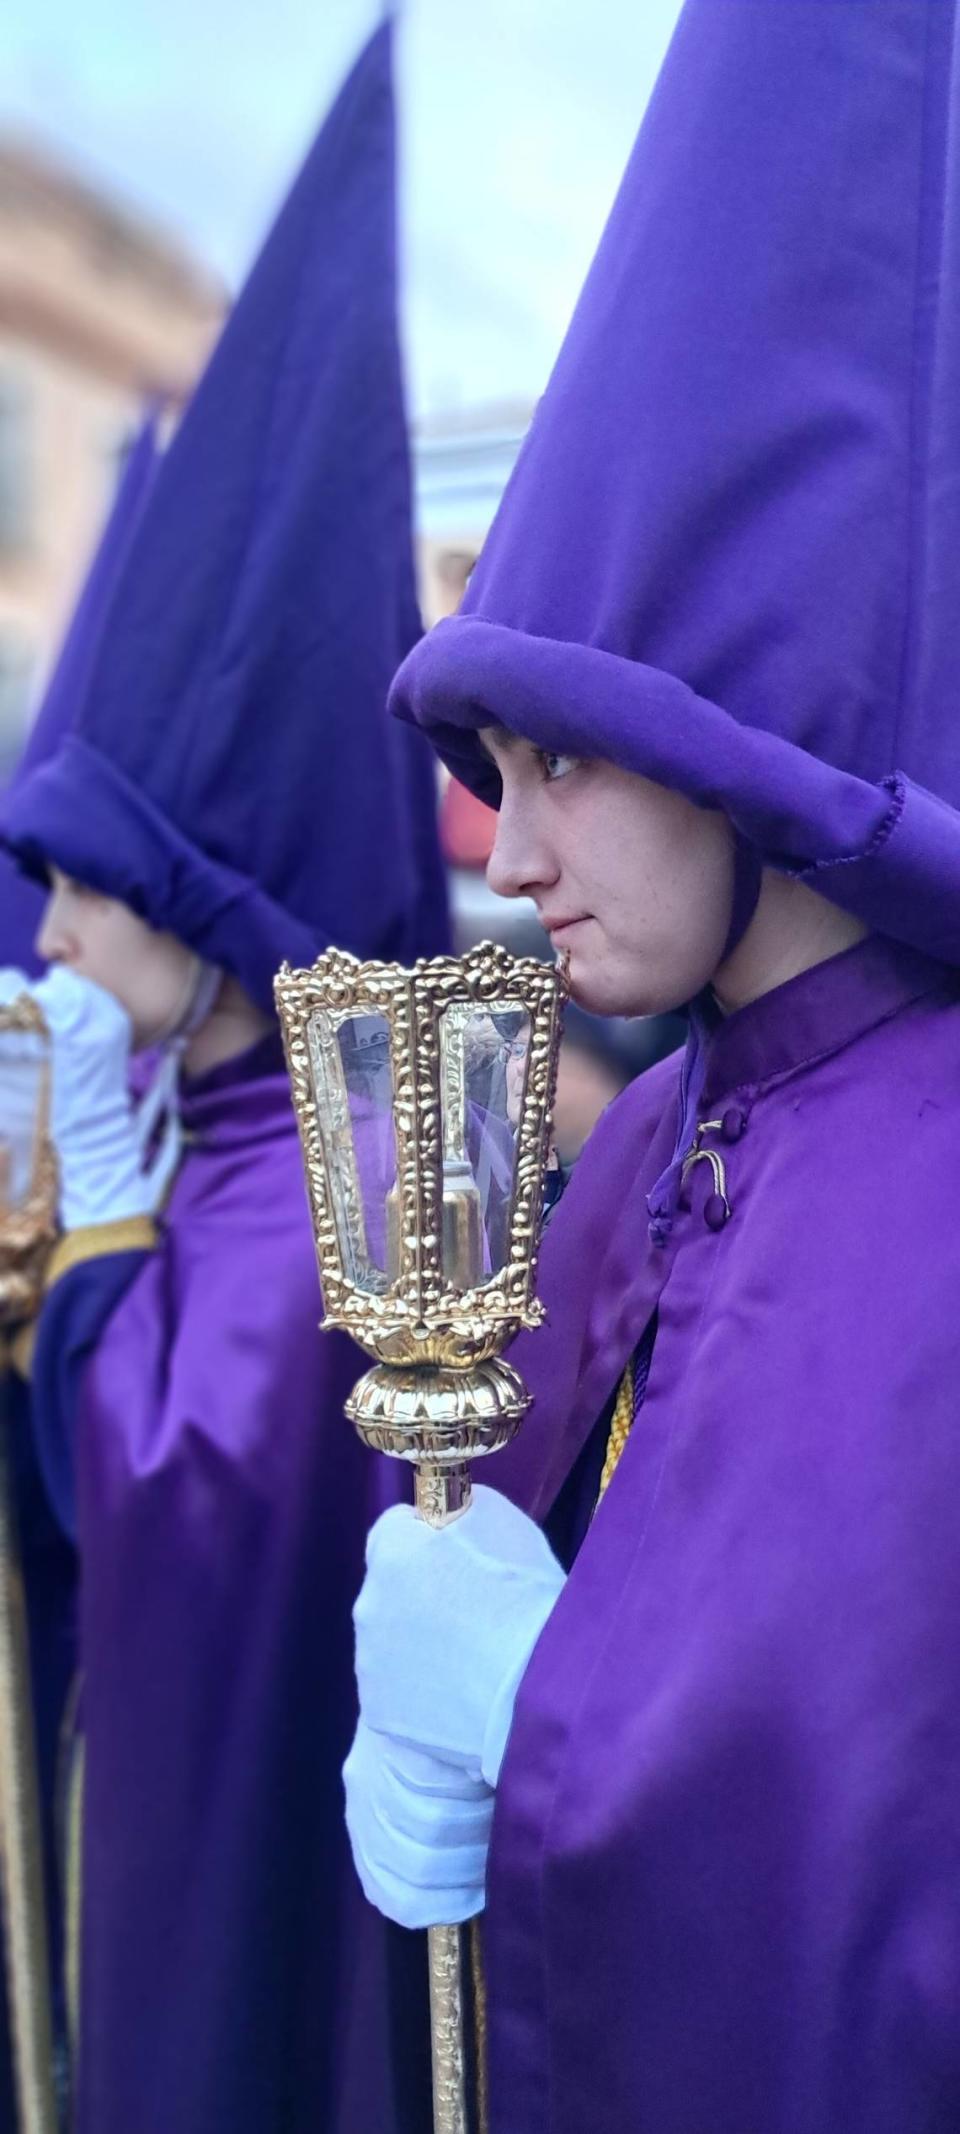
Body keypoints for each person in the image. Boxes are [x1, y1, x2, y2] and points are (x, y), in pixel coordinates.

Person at [345, 3, 960, 2129]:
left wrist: (563, 1736)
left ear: (735, 723)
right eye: (494, 772)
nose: (508, 860)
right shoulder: (655, 1135)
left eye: (565, 760)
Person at [0, 23, 447, 2133]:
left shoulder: (328, 1178)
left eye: (98, 889)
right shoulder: (232, 1116)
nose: (59, 941)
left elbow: (160, 1501)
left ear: (227, 891)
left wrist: (88, 1244)